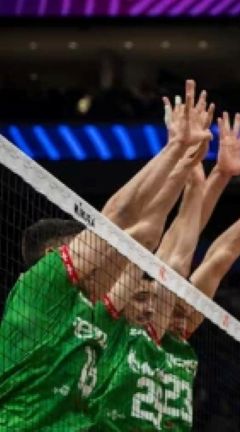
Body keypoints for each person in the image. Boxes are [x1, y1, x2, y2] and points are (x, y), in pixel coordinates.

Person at [0, 79, 212, 430]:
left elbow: (144, 237)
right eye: (91, 248)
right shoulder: (41, 288)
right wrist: (174, 148)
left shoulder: (92, 311)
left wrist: (187, 168)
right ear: (55, 254)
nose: (107, 257)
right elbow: (118, 218)